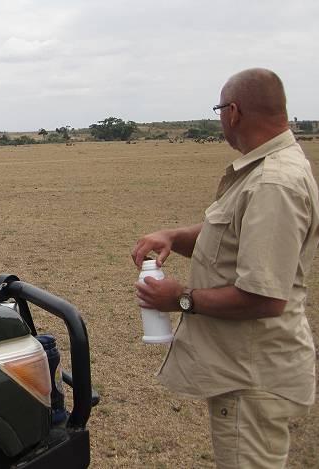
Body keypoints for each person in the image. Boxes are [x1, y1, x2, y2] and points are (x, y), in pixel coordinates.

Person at [131, 68, 317, 468]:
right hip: (247, 368)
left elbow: (264, 298)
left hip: (251, 378)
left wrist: (179, 298)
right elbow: (232, 233)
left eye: (219, 109)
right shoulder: (267, 171)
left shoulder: (273, 183)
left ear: (233, 112)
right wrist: (174, 236)